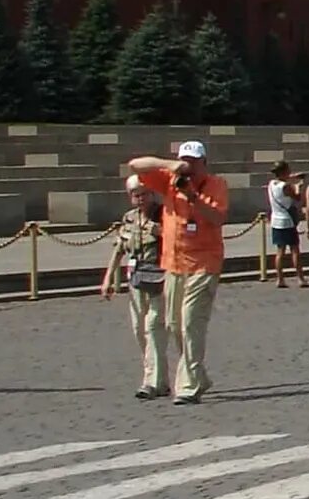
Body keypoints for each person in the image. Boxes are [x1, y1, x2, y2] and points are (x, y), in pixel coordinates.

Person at [126, 139, 229, 402]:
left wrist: (193, 195)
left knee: (191, 322)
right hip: (173, 264)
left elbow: (218, 218)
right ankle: (198, 374)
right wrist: (169, 165)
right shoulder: (169, 179)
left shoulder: (216, 185)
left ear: (204, 163)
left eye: (194, 162)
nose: (189, 167)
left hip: (204, 263)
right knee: (174, 324)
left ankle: (188, 386)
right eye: (185, 161)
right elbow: (135, 165)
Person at [98, 173, 170, 399]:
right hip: (137, 279)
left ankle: (151, 382)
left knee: (153, 328)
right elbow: (119, 248)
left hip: (160, 277)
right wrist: (108, 277)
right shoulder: (129, 218)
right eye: (135, 194)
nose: (140, 198)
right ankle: (161, 378)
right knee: (139, 329)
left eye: (144, 193)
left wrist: (161, 233)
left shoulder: (165, 215)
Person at [266, 161, 306, 288]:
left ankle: (280, 279)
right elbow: (297, 197)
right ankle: (300, 278)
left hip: (276, 220)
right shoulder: (286, 187)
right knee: (295, 250)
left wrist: (293, 177)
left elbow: (283, 179)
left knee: (280, 251)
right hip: (287, 220)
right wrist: (299, 186)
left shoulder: (272, 184)